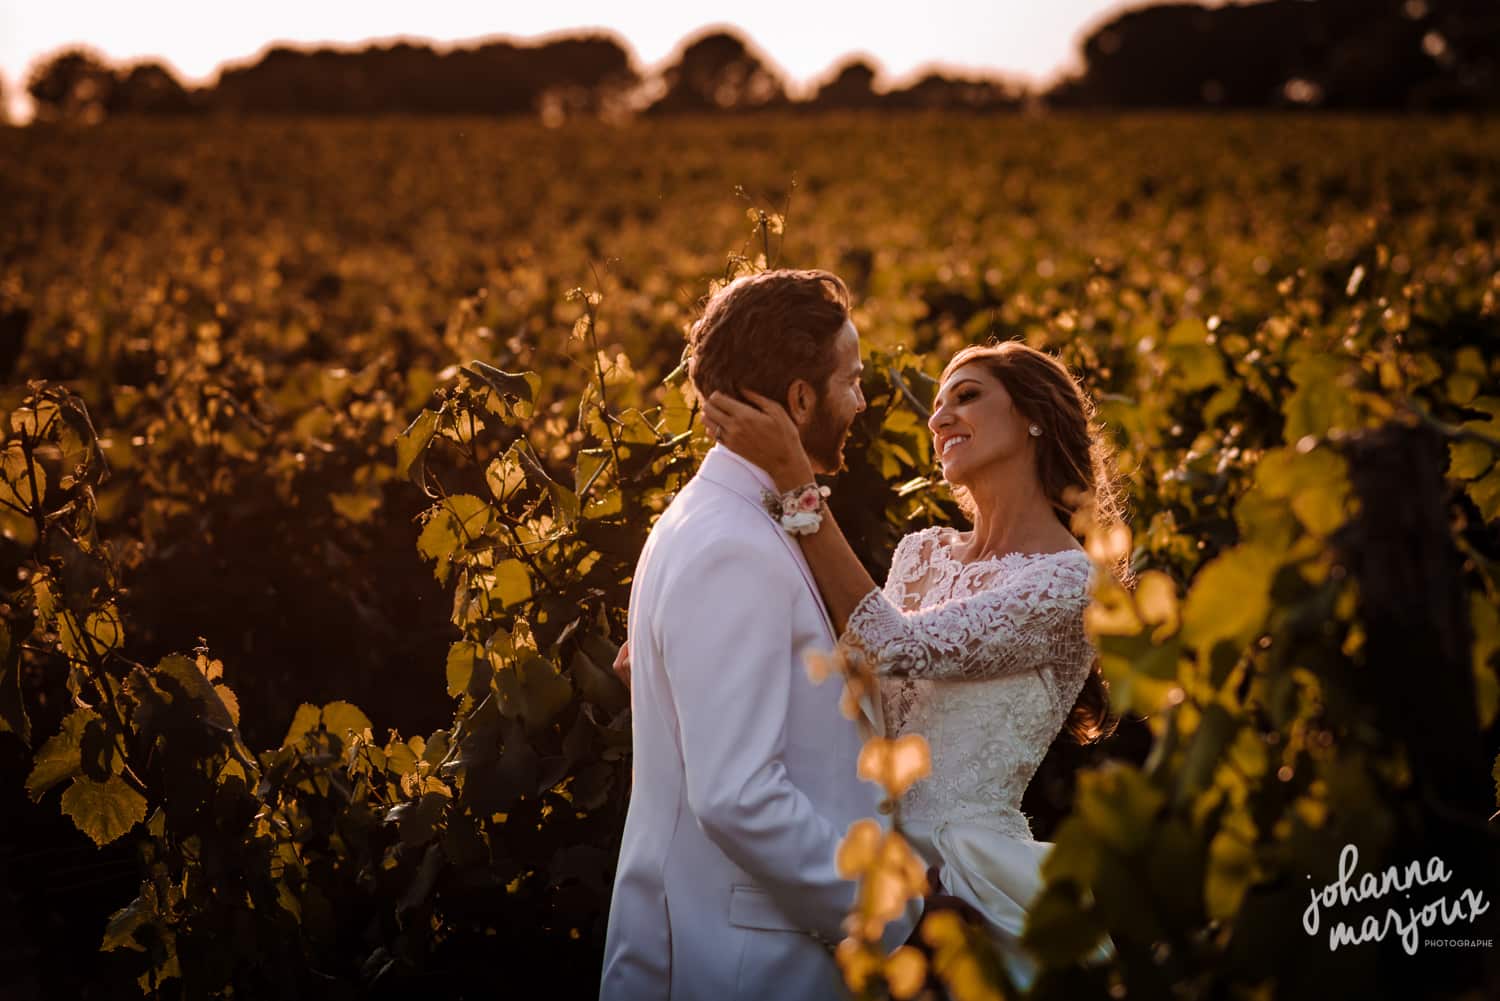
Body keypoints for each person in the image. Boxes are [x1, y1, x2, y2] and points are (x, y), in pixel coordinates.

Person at [689, 339, 1129, 990]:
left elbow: (895, 645)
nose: (939, 415)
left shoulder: (1073, 583)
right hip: (864, 860)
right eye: (938, 403)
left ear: (1034, 415)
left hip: (972, 879)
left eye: (968, 394)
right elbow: (852, 694)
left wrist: (797, 484)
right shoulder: (920, 551)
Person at [599, 268, 925, 1001]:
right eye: (853, 380)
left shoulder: (720, 515)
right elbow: (737, 793)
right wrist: (882, 904)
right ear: (801, 399)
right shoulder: (731, 545)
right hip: (747, 966)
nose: (864, 401)